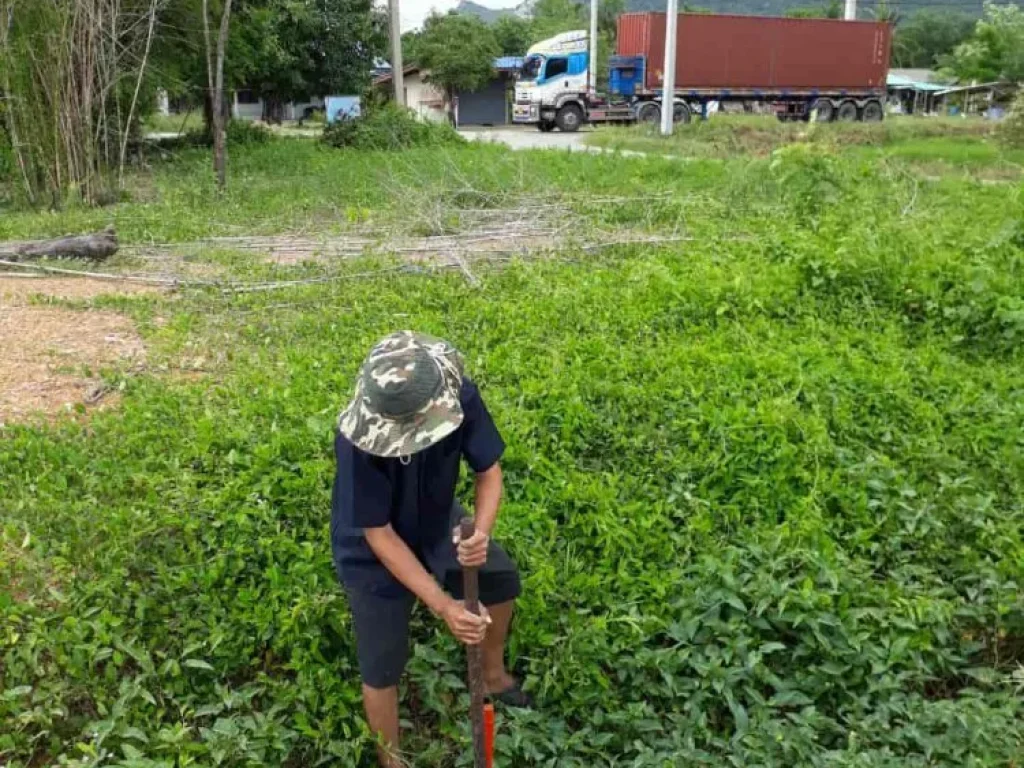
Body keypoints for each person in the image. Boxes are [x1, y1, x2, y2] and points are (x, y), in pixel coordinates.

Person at [331, 330, 530, 767]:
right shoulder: (356, 439)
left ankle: (493, 677)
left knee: (499, 579)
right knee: (381, 661)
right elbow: (378, 534)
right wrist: (444, 605)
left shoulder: (458, 394)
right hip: (371, 546)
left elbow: (489, 472)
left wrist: (478, 532)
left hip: (438, 518)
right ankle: (393, 760)